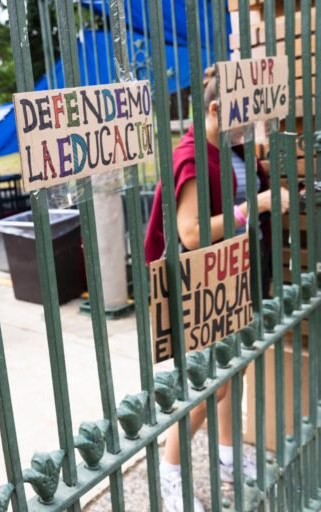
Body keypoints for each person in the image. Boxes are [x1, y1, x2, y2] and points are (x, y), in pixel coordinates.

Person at [144, 67, 289, 512]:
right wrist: (257, 205)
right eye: (244, 120)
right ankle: (169, 473)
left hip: (240, 272)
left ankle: (227, 456)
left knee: (233, 370)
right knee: (208, 387)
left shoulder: (231, 149)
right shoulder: (192, 157)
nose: (250, 129)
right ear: (213, 109)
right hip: (205, 282)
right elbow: (190, 234)